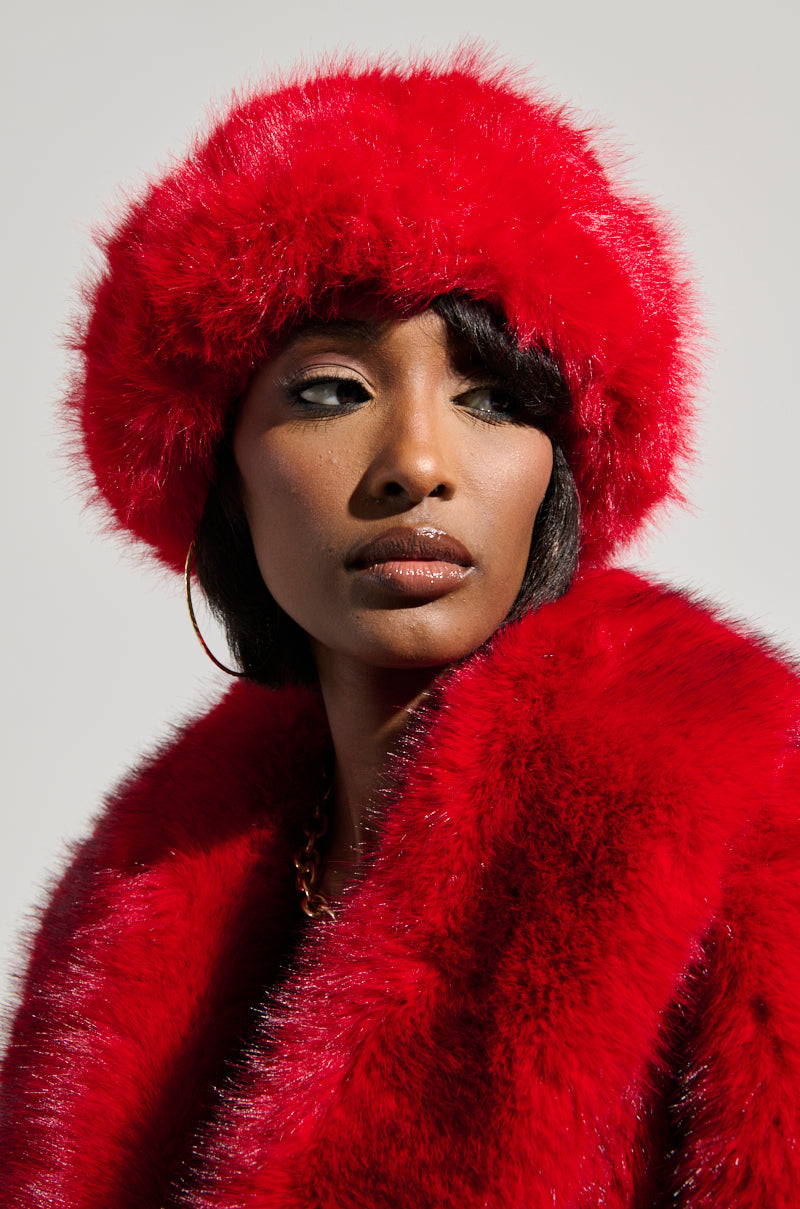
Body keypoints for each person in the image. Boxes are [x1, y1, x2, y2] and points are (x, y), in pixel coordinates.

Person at [1, 51, 798, 1209]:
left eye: (494, 399)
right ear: (219, 463)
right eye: (332, 391)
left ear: (560, 468)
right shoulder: (135, 891)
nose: (417, 465)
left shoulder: (744, 823)